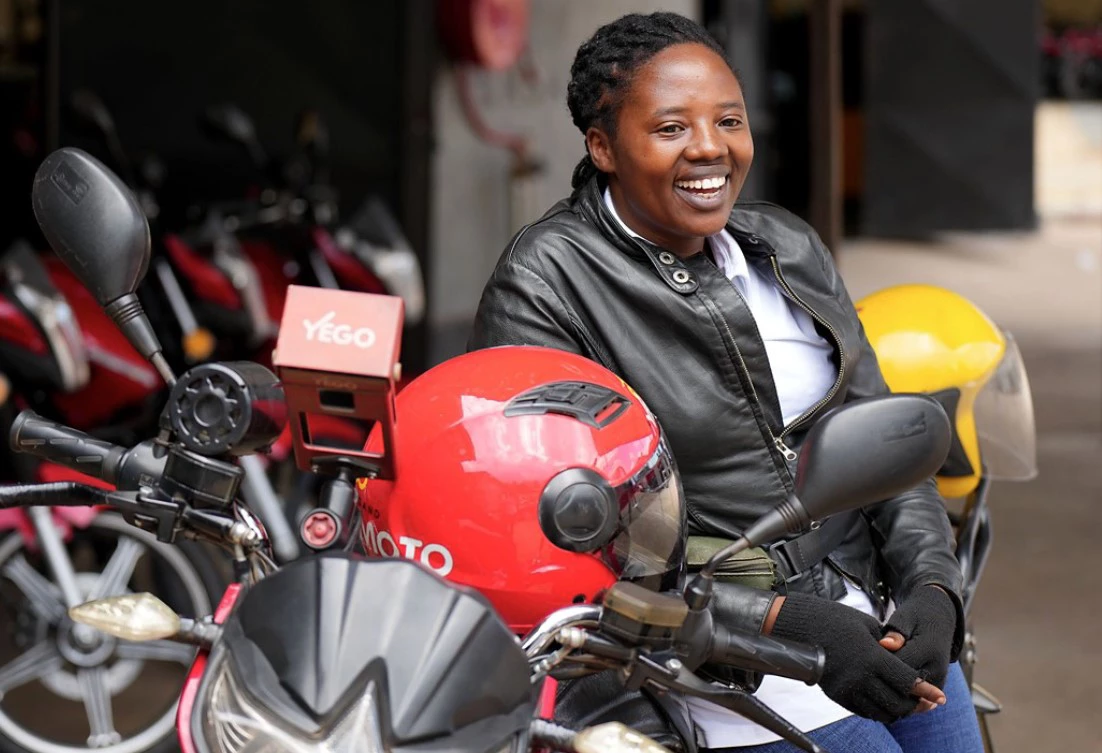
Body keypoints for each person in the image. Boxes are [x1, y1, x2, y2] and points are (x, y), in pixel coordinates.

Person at [466, 11, 983, 753]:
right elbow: (560, 548)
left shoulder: (788, 244)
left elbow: (884, 438)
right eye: (671, 127)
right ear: (603, 146)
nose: (710, 147)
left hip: (878, 623)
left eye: (728, 120)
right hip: (715, 673)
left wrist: (934, 590)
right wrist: (785, 624)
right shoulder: (546, 282)